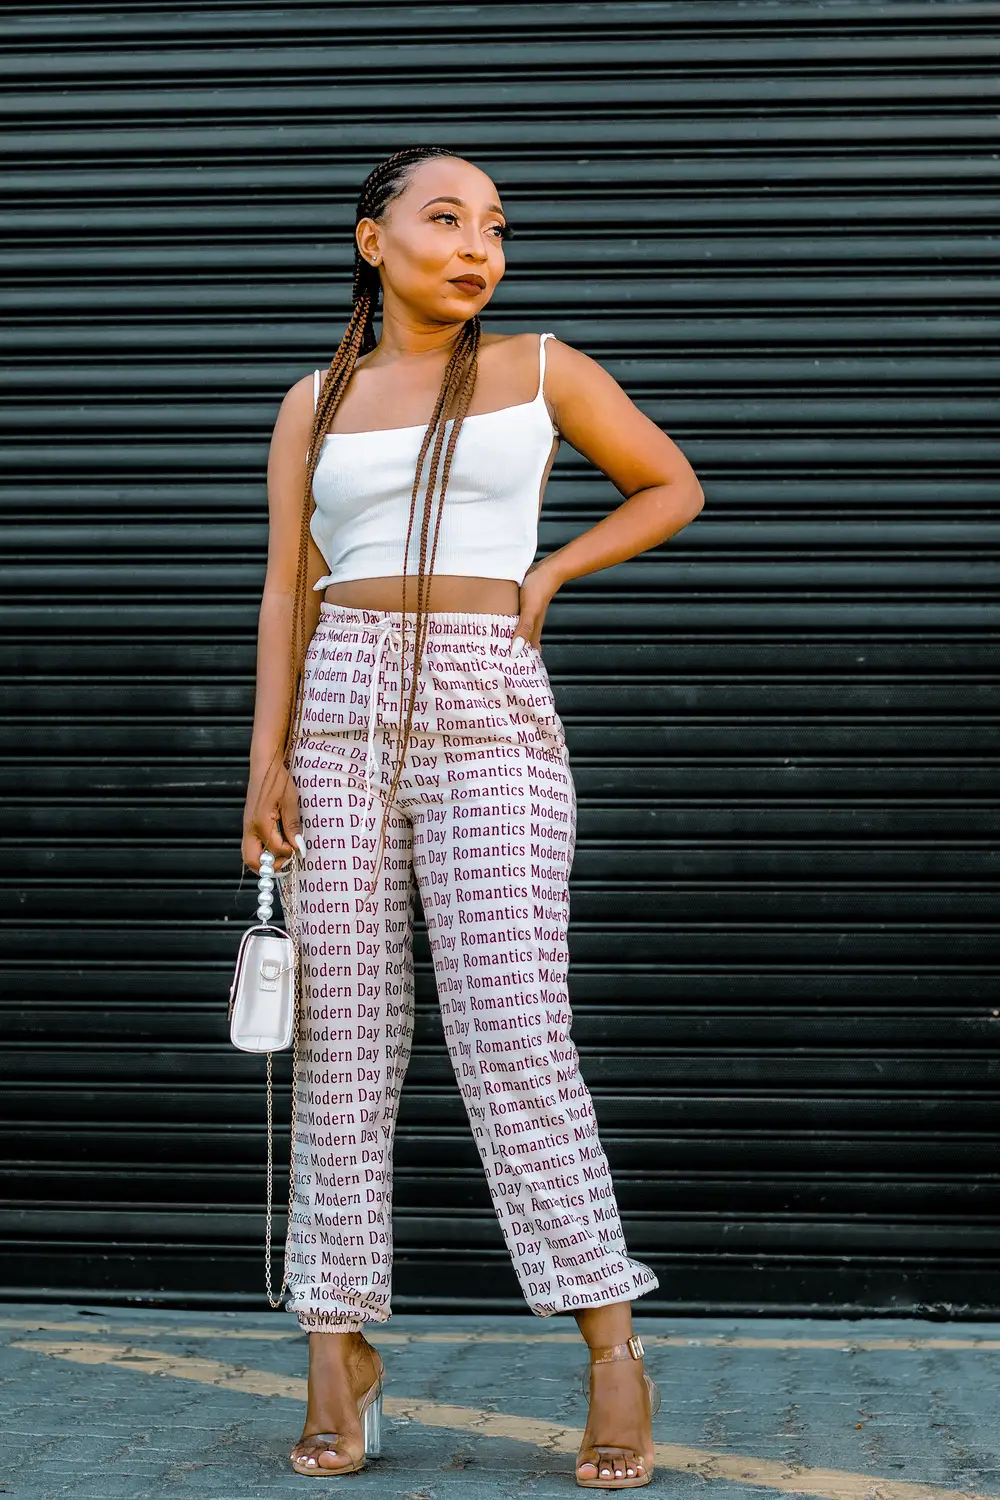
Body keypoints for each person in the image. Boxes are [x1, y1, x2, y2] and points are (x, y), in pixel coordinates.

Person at [241, 145, 704, 1489]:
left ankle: (612, 1347)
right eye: (444, 219)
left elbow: (670, 483)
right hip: (335, 710)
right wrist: (263, 759)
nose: (476, 246)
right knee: (342, 1046)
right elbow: (288, 587)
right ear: (373, 238)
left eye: (494, 226)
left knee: (514, 1030)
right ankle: (338, 1347)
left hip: (488, 707)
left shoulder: (544, 369)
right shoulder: (312, 404)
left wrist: (554, 568)